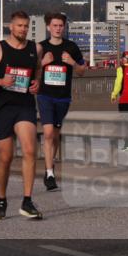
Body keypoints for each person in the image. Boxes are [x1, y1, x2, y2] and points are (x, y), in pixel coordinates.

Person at [0, 11, 43, 220]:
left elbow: (38, 69)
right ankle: (1, 199)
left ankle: (27, 201)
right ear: (11, 27)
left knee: (30, 150)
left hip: (24, 106)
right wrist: (0, 82)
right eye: (19, 26)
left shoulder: (35, 48)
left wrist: (37, 82)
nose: (23, 29)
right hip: (2, 108)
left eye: (26, 26)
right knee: (5, 158)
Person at [37, 12, 85, 191]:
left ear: (64, 27)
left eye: (60, 26)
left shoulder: (71, 47)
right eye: (54, 25)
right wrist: (43, 63)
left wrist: (72, 62)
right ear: (48, 27)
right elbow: (31, 70)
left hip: (63, 97)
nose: (57, 29)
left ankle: (51, 164)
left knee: (55, 134)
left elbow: (82, 71)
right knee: (48, 132)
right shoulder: (40, 47)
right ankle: (49, 173)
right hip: (45, 95)